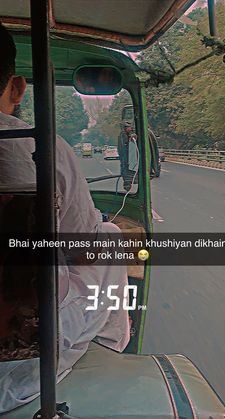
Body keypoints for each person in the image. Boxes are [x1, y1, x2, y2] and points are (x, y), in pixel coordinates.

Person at [0, 23, 130, 413]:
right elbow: (83, 252)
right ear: (17, 88)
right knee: (106, 237)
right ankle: (109, 350)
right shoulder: (40, 147)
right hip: (17, 376)